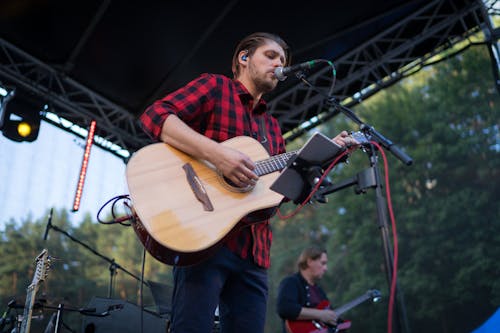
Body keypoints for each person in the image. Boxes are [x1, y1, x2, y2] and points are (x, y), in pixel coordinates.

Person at [139, 32, 355, 333]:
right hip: (206, 237)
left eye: (283, 60)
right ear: (244, 58)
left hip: (255, 253)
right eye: (271, 56)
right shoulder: (215, 88)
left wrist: (325, 156)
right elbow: (155, 116)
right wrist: (218, 154)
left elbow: (281, 191)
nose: (279, 63)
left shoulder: (273, 128)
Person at [276, 245, 338, 333]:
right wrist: (320, 314)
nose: (325, 268)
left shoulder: (320, 292)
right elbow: (284, 308)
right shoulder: (291, 282)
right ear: (309, 261)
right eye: (323, 263)